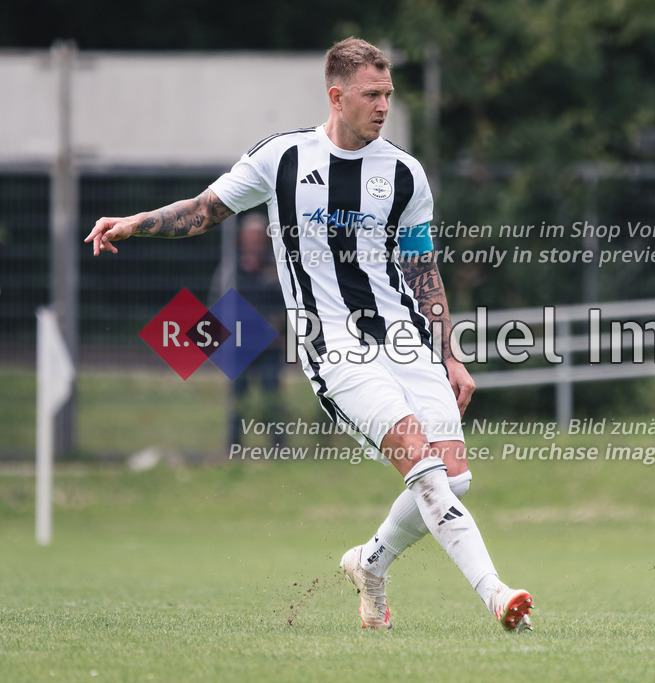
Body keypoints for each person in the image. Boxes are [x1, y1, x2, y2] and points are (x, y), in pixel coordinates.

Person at [85, 37, 533, 632]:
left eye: (388, 95)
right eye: (372, 95)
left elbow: (423, 269)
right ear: (336, 95)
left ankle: (369, 564)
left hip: (404, 341)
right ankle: (497, 595)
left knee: (456, 478)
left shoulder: (405, 173)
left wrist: (448, 354)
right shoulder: (282, 159)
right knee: (422, 470)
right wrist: (134, 224)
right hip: (336, 349)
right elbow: (202, 210)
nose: (382, 107)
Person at [210, 210, 287, 447]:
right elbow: (216, 302)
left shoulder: (278, 268)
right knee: (238, 394)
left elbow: (288, 305)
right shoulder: (230, 269)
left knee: (271, 392)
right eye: (249, 238)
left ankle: (278, 448)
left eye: (258, 238)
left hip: (270, 345)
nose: (254, 243)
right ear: (240, 239)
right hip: (240, 345)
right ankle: (234, 446)